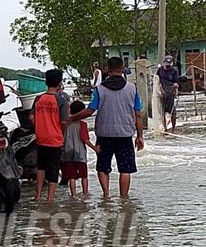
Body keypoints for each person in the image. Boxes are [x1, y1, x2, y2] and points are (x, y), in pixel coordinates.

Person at [71, 57, 144, 198]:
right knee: (125, 169)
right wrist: (140, 136)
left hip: (104, 134)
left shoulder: (99, 89)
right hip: (125, 134)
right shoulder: (132, 88)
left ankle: (106, 195)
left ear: (107, 69)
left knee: (103, 167)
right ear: (122, 69)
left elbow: (89, 111)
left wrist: (71, 118)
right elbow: (138, 115)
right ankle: (124, 199)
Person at [30, 69, 69, 204]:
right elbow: (64, 121)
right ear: (59, 83)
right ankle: (50, 199)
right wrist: (60, 131)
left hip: (41, 138)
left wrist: (40, 126)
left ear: (46, 82)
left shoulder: (38, 99)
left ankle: (38, 194)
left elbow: (31, 118)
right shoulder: (61, 100)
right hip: (55, 139)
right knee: (53, 168)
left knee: (41, 167)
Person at [61, 101, 98, 198]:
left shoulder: (65, 124)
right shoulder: (83, 124)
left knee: (71, 176)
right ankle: (85, 194)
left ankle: (73, 195)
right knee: (84, 176)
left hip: (67, 152)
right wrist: (95, 149)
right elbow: (85, 139)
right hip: (80, 153)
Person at [156, 55, 179, 132]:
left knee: (172, 111)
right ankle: (165, 128)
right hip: (161, 92)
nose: (168, 65)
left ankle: (173, 128)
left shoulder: (174, 71)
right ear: (164, 63)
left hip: (171, 93)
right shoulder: (159, 70)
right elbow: (156, 80)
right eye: (166, 63)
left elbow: (176, 82)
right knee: (162, 111)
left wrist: (175, 84)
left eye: (169, 63)